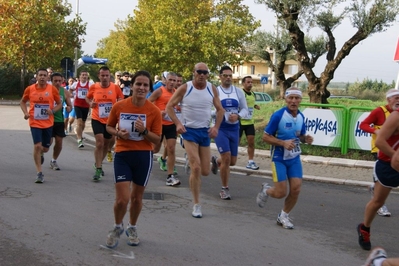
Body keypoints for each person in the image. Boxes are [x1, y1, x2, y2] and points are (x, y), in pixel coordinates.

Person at [105, 70, 162, 248]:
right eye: (138, 84)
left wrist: (144, 131)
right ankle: (116, 227)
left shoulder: (154, 111)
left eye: (145, 85)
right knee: (122, 199)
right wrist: (118, 133)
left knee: (137, 198)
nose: (141, 88)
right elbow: (108, 127)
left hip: (143, 156)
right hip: (123, 154)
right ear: (132, 86)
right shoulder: (120, 106)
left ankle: (132, 227)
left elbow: (157, 139)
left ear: (149, 88)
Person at [166, 62, 224, 218]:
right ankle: (196, 204)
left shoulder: (212, 89)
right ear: (194, 72)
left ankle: (205, 160)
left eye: (205, 72)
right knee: (196, 168)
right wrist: (177, 123)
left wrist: (216, 127)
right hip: (188, 131)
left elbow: (220, 110)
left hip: (204, 132)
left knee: (205, 171)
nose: (202, 75)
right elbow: (169, 106)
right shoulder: (186, 88)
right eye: (200, 71)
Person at [256, 87, 313, 229]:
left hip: (294, 158)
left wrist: (306, 139)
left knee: (296, 189)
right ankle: (266, 190)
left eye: (297, 98)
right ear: (286, 99)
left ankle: (283, 216)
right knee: (281, 192)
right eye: (291, 98)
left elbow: (299, 135)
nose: (293, 101)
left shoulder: (301, 117)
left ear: (300, 100)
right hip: (279, 158)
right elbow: (265, 137)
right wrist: (282, 143)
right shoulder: (278, 116)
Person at [357, 105, 399, 251]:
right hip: (388, 164)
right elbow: (379, 141)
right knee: (378, 202)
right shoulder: (396, 116)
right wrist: (395, 155)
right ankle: (365, 229)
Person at [211, 65, 249, 200]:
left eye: (230, 76)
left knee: (232, 162)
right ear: (220, 77)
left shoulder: (238, 92)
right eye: (225, 75)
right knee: (226, 158)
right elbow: (208, 110)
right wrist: (218, 113)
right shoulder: (215, 91)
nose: (228, 78)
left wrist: (238, 116)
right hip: (221, 128)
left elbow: (245, 109)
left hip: (234, 129)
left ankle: (216, 160)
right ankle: (224, 189)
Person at [359, 89, 399, 217]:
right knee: (381, 177)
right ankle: (381, 205)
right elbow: (363, 124)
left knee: (382, 182)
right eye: (396, 98)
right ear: (389, 100)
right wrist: (375, 131)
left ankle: (374, 188)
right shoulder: (379, 111)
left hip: (394, 152)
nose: (398, 101)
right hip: (380, 149)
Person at [20, 68, 62, 183]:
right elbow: (22, 101)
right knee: (37, 146)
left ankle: (42, 153)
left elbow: (59, 104)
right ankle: (39, 173)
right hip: (34, 122)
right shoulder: (30, 89)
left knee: (45, 148)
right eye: (40, 75)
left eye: (44, 75)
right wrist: (26, 113)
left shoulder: (52, 89)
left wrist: (52, 111)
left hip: (48, 123)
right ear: (37, 77)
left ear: (47, 78)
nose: (42, 77)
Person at [86, 66, 124, 181]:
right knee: (99, 142)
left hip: (110, 120)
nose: (105, 77)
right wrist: (90, 103)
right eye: (102, 75)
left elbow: (121, 99)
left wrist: (118, 105)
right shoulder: (94, 87)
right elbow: (87, 98)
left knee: (107, 144)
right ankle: (98, 168)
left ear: (109, 76)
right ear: (99, 76)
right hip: (97, 118)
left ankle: (99, 163)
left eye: (107, 75)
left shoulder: (115, 87)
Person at [148, 72, 180, 186]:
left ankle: (170, 176)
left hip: (171, 124)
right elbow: (148, 103)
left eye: (174, 80)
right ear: (165, 80)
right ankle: (141, 162)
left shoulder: (177, 93)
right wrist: (157, 112)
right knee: (155, 149)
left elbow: (177, 108)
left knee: (171, 148)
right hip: (159, 124)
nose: (172, 82)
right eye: (170, 80)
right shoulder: (160, 91)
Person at [49, 73, 72, 170]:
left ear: (62, 81)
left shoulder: (65, 92)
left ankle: (54, 160)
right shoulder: (47, 90)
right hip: (47, 120)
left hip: (59, 120)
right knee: (48, 142)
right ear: (51, 81)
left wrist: (68, 108)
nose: (58, 83)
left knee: (59, 142)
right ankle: (41, 152)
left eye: (59, 81)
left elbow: (70, 105)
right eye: (55, 81)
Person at [239, 76, 261, 170]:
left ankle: (250, 161)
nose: (250, 84)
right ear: (243, 83)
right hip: (240, 122)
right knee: (235, 143)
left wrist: (255, 105)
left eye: (251, 82)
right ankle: (228, 158)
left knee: (251, 142)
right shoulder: (240, 93)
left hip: (249, 122)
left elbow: (250, 103)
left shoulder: (252, 94)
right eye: (248, 82)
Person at [69, 71, 94, 148]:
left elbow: (93, 92)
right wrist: (71, 95)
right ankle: (79, 139)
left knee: (83, 123)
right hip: (77, 105)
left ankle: (80, 133)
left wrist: (91, 100)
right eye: (83, 75)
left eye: (86, 75)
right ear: (80, 76)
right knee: (79, 122)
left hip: (86, 106)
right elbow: (70, 89)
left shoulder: (90, 84)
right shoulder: (76, 84)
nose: (84, 76)